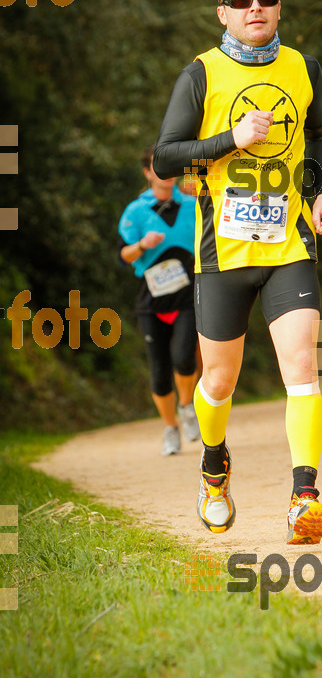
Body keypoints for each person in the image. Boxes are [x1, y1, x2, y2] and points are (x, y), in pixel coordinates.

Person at [153, 0, 322, 543]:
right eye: (240, 1)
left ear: (279, 4)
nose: (254, 6)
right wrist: (229, 140)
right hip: (222, 255)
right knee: (218, 382)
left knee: (303, 366)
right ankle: (214, 467)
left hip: (289, 245)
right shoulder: (200, 76)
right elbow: (165, 157)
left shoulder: (302, 67)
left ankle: (304, 499)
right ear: (223, 14)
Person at [118, 144, 201, 456]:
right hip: (151, 302)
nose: (164, 173)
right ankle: (171, 429)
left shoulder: (194, 205)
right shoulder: (135, 211)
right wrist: (142, 244)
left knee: (183, 356)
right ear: (147, 172)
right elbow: (123, 257)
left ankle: (186, 405)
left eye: (169, 166)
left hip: (187, 296)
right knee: (159, 370)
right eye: (157, 166)